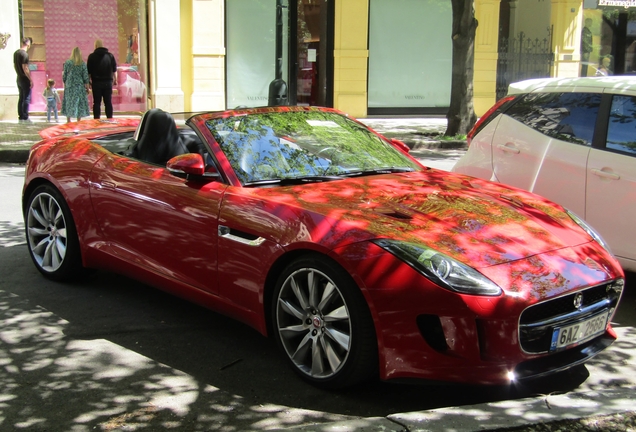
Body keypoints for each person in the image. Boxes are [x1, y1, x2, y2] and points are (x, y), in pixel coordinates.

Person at [87, 38, 117, 119]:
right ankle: (109, 118)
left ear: (95, 46)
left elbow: (89, 72)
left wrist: (88, 82)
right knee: (108, 102)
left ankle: (96, 120)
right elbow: (114, 70)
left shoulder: (91, 57)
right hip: (108, 82)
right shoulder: (110, 56)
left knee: (96, 102)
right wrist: (115, 79)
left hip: (96, 83)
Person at [61, 47, 90, 123]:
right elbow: (85, 77)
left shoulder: (67, 63)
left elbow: (64, 76)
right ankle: (78, 120)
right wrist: (87, 87)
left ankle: (68, 120)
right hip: (79, 86)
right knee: (78, 103)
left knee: (69, 102)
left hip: (69, 86)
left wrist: (65, 83)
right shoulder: (82, 63)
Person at [13, 37, 33, 122]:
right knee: (26, 98)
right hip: (24, 79)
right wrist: (30, 79)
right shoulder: (25, 54)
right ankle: (25, 116)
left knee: (21, 97)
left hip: (19, 78)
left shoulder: (16, 53)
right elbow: (25, 67)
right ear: (28, 44)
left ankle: (20, 115)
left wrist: (18, 73)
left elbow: (14, 65)